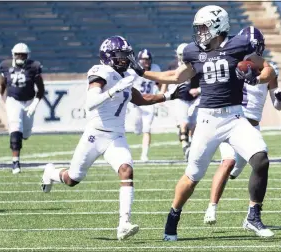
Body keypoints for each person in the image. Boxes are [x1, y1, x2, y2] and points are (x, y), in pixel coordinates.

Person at [128, 5, 277, 240]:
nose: (199, 32)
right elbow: (176, 76)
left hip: (235, 117)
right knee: (193, 175)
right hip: (207, 119)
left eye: (203, 27)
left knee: (261, 158)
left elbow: (268, 69)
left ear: (218, 26)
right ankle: (173, 216)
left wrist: (256, 77)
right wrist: (142, 73)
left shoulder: (239, 45)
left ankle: (253, 216)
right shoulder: (193, 51)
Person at [40, 36, 183, 240]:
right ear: (109, 57)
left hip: (116, 136)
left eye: (126, 56)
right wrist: (114, 89)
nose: (125, 60)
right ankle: (51, 172)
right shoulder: (101, 72)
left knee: (126, 170)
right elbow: (90, 103)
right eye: (121, 56)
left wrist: (170, 96)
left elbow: (141, 99)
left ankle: (123, 223)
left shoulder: (125, 76)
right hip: (95, 134)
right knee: (72, 179)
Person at [203, 26, 281, 225]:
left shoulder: (269, 68)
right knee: (228, 161)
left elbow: (278, 105)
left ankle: (247, 208)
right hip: (233, 121)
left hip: (252, 128)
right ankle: (211, 208)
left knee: (239, 168)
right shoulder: (233, 63)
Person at [0, 42, 45, 174]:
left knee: (25, 133)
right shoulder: (6, 66)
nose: (20, 57)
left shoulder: (33, 67)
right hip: (13, 100)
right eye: (18, 54)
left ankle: (22, 137)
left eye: (23, 55)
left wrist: (34, 104)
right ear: (13, 55)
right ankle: (16, 162)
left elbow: (41, 89)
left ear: (27, 55)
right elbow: (3, 83)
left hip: (29, 101)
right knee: (15, 128)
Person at [161, 43, 201, 161]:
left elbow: (202, 79)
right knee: (183, 124)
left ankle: (191, 147)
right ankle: (185, 147)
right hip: (180, 98)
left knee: (194, 126)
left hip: (194, 99)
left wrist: (198, 90)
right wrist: (162, 93)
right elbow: (166, 79)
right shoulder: (173, 65)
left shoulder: (195, 64)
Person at [131, 49, 161, 161]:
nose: (146, 62)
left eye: (147, 59)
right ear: (140, 60)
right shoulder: (134, 70)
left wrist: (161, 94)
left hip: (149, 101)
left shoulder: (155, 68)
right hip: (137, 101)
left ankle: (144, 155)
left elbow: (160, 82)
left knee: (147, 129)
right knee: (137, 126)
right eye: (143, 59)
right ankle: (137, 129)